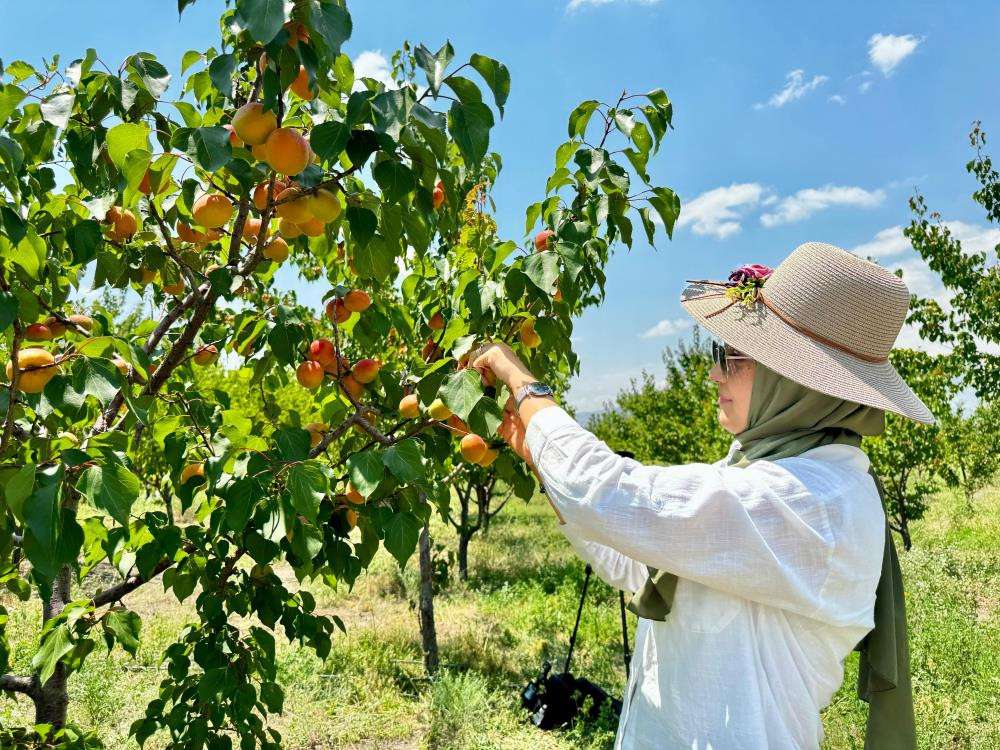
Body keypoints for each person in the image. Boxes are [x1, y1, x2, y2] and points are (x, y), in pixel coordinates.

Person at [466, 242, 926, 750]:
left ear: (795, 380)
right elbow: (633, 561)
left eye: (732, 357)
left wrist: (525, 386)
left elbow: (613, 495)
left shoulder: (814, 501)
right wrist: (539, 458)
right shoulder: (766, 476)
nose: (714, 373)